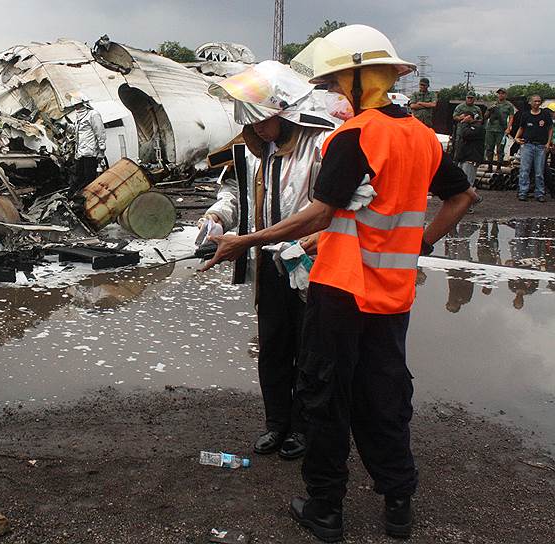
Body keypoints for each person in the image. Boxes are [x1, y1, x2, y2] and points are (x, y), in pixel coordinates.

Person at [203, 25, 475, 541]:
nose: (329, 93)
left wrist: (246, 241)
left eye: (333, 83)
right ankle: (398, 503)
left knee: (326, 394)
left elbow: (319, 214)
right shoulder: (419, 135)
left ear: (359, 77)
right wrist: (420, 243)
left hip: (342, 288)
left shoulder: (354, 136)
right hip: (392, 294)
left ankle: (325, 509)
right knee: (385, 393)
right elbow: (463, 198)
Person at [210, 60, 347, 461]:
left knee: (310, 349)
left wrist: (319, 238)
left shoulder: (324, 142)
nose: (254, 129)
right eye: (249, 123)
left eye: (261, 122)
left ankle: (304, 427)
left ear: (283, 109)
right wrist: (216, 216)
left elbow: (341, 207)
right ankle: (277, 423)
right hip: (268, 263)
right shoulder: (251, 149)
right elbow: (233, 192)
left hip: (311, 265)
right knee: (272, 346)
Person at [513, 95, 553, 202]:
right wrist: (517, 138)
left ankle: (539, 193)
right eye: (535, 101)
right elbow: (521, 128)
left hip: (541, 146)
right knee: (524, 170)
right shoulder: (526, 115)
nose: (537, 103)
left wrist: (548, 143)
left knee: (539, 171)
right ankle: (523, 192)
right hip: (527, 145)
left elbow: (550, 129)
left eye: (539, 101)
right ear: (530, 103)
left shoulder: (545, 114)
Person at [69, 94, 106, 191]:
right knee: (78, 177)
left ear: (83, 104)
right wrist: (65, 126)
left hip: (90, 152)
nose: (76, 108)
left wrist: (101, 150)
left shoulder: (93, 114)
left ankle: (89, 197)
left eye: (78, 105)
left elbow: (100, 132)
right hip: (80, 153)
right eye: (75, 106)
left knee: (89, 178)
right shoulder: (78, 116)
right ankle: (78, 197)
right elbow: (76, 131)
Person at [483, 88, 515, 172]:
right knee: (489, 148)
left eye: (503, 93)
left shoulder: (509, 105)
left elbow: (511, 117)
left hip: (501, 129)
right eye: (499, 93)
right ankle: (489, 166)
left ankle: (498, 167)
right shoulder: (493, 104)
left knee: (500, 149)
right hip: (490, 129)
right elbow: (485, 116)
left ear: (505, 95)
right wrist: (490, 110)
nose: (501, 95)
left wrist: (508, 128)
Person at [455, 111, 485, 191]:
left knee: (468, 183)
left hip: (471, 157)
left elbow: (466, 135)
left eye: (463, 118)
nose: (461, 120)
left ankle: (471, 199)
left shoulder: (478, 127)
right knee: (460, 181)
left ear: (468, 117)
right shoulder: (468, 126)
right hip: (463, 157)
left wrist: (464, 124)